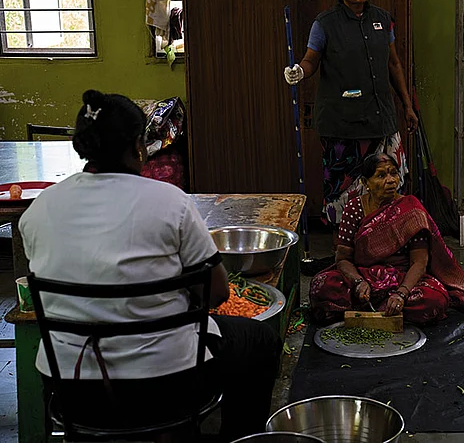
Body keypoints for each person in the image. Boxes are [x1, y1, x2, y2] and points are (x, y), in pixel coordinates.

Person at [19, 89, 281, 441]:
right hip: (166, 385)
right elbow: (217, 292)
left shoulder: (39, 209)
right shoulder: (170, 201)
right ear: (138, 146)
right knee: (259, 340)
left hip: (73, 389)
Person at [283, 0, 418, 261]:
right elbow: (310, 60)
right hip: (342, 125)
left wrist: (406, 105)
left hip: (381, 118)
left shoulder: (382, 19)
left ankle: (384, 248)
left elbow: (393, 64)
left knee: (388, 184)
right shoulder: (326, 23)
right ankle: (342, 256)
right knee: (342, 192)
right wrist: (299, 72)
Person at [309, 153, 464, 323]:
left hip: (402, 277)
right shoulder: (354, 208)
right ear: (365, 183)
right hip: (364, 275)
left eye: (394, 173)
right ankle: (383, 309)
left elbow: (419, 262)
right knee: (322, 287)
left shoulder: (410, 209)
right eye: (381, 175)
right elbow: (343, 258)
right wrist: (358, 282)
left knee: (434, 301)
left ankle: (370, 309)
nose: (391, 180)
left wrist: (401, 293)